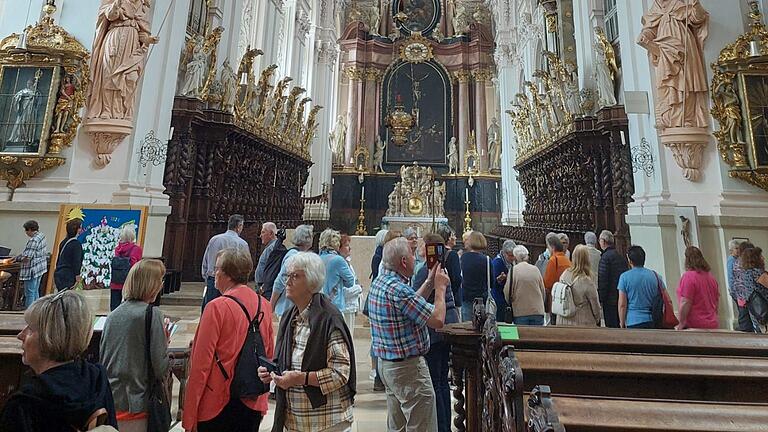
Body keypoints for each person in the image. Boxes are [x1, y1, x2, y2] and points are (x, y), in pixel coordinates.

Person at [259, 252, 356, 432]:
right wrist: (272, 373)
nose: (288, 281)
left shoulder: (328, 319)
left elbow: (340, 373)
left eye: (295, 276)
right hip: (296, 420)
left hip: (325, 421)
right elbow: (287, 361)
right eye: (288, 275)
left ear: (312, 281)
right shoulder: (291, 316)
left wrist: (300, 378)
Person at [183, 248, 274, 431]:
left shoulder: (216, 308)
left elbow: (200, 366)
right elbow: (267, 356)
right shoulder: (263, 304)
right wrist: (262, 404)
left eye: (217, 269)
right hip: (250, 400)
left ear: (227, 274)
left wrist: (190, 416)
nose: (214, 273)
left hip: (217, 404)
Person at [0, 291, 118, 431]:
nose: (21, 335)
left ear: (49, 338)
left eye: (30, 330)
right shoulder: (97, 379)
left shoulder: (25, 404)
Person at [369, 237, 449, 431]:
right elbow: (437, 319)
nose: (415, 258)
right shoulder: (398, 290)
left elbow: (410, 305)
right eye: (412, 254)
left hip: (388, 365)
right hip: (408, 369)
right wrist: (440, 289)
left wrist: (429, 282)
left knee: (399, 426)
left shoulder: (381, 282)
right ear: (404, 261)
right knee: (422, 425)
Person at [100, 259, 170, 431]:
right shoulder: (152, 314)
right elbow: (160, 367)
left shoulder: (112, 315)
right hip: (137, 402)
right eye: (160, 281)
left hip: (111, 399)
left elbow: (104, 357)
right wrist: (165, 341)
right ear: (151, 285)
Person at [411, 233, 460, 432]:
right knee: (441, 382)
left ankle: (441, 426)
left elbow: (415, 299)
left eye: (423, 244)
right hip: (446, 326)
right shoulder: (442, 268)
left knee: (435, 382)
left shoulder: (426, 272)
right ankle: (444, 425)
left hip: (433, 331)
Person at [201, 214, 249, 311]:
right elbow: (246, 265)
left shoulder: (214, 239)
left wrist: (207, 277)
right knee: (228, 311)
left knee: (210, 310)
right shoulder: (242, 244)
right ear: (239, 227)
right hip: (232, 282)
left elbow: (205, 261)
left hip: (213, 279)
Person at [270, 224, 314, 318]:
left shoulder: (297, 254)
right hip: (287, 308)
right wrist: (271, 305)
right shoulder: (293, 257)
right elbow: (280, 281)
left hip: (293, 307)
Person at [618, 245, 666, 329]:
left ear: (630, 260)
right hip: (652, 320)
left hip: (633, 320)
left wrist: (622, 322)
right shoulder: (655, 276)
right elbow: (667, 299)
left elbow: (622, 304)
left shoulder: (624, 277)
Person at [318, 229, 357, 331]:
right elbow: (350, 282)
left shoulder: (317, 258)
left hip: (320, 304)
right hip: (335, 305)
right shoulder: (338, 260)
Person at [555, 245, 602, 327]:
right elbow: (595, 305)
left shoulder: (564, 274)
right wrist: (597, 318)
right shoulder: (586, 281)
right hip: (582, 323)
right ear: (587, 259)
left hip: (563, 321)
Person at [676, 246, 719, 330]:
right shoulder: (711, 277)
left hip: (695, 325)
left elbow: (686, 302)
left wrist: (681, 323)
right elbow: (716, 302)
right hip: (712, 323)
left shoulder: (688, 277)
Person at [505, 245, 546, 325]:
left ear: (515, 258)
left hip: (520, 312)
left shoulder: (514, 270)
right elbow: (542, 291)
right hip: (537, 311)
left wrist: (511, 302)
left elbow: (507, 292)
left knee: (522, 336)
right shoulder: (535, 269)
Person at [598, 230, 627, 328]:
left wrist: (601, 298)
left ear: (603, 241)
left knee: (611, 325)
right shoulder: (619, 255)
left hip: (609, 298)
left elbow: (603, 280)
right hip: (620, 295)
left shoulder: (605, 258)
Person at [109, 225, 143, 311]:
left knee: (114, 309)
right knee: (128, 309)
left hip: (115, 283)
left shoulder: (117, 249)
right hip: (129, 283)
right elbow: (138, 266)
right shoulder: (137, 249)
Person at [460, 231, 491, 321]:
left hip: (467, 298)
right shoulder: (487, 260)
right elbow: (491, 282)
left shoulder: (464, 258)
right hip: (482, 299)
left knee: (467, 325)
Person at [17, 220, 48, 308]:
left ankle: (29, 312)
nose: (26, 233)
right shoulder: (42, 236)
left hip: (32, 270)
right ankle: (37, 311)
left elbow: (27, 258)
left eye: (26, 231)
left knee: (29, 292)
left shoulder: (33, 240)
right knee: (35, 291)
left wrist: (16, 258)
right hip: (40, 268)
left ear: (30, 230)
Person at [543, 232, 571, 324]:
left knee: (554, 323)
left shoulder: (553, 260)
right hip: (566, 296)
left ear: (553, 247)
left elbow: (548, 282)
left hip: (555, 297)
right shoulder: (567, 259)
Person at [737, 246, 767, 333]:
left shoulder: (746, 272)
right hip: (764, 309)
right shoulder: (757, 272)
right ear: (755, 258)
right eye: (761, 256)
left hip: (756, 312)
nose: (763, 258)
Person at [435, 224, 462, 318]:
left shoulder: (437, 252)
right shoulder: (453, 255)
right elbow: (457, 279)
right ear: (448, 238)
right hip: (451, 297)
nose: (455, 237)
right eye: (453, 235)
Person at [339, 234, 363, 333]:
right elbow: (343, 290)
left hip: (351, 306)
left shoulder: (347, 262)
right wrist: (358, 288)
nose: (349, 248)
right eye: (346, 245)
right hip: (346, 307)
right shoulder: (340, 264)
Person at [728, 240, 754, 332]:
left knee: (745, 318)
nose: (737, 251)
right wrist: (733, 291)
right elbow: (732, 277)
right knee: (746, 319)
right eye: (736, 248)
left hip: (741, 296)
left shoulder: (737, 261)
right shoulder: (735, 261)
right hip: (744, 295)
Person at [53, 219, 83, 291]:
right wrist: (77, 276)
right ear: (77, 230)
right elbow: (76, 261)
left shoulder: (63, 242)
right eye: (80, 227)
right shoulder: (76, 244)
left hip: (59, 274)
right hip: (69, 275)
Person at [491, 239, 516, 322]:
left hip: (507, 298)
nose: (512, 258)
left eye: (513, 255)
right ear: (504, 253)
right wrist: (499, 279)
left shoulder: (511, 262)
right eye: (510, 255)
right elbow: (493, 281)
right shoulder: (497, 262)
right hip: (499, 298)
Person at [254, 222, 278, 291]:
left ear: (271, 234)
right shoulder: (270, 247)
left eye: (263, 232)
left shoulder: (272, 248)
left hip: (264, 286)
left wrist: (264, 286)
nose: (260, 235)